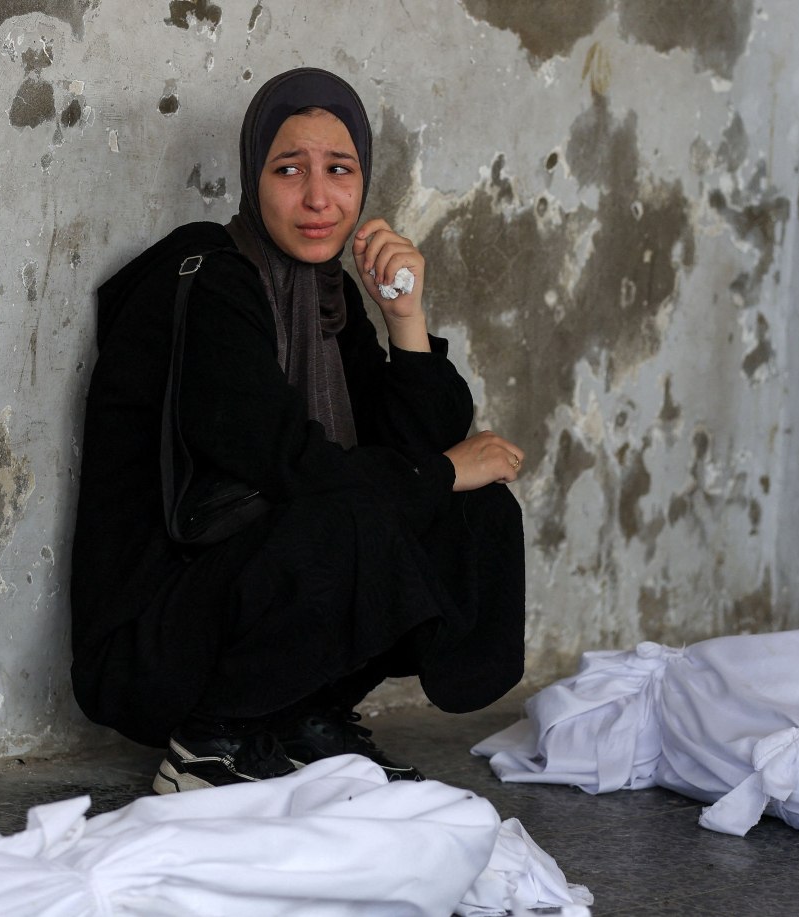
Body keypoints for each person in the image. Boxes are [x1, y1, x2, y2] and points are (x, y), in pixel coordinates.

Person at [71, 67, 527, 794]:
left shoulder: (325, 294)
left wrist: (405, 318)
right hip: (154, 637)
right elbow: (290, 465)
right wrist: (442, 471)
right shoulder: (209, 278)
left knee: (474, 509)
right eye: (289, 169)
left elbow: (414, 445)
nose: (318, 198)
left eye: (339, 170)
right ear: (254, 177)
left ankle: (303, 717)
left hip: (244, 592)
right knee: (353, 512)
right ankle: (209, 739)